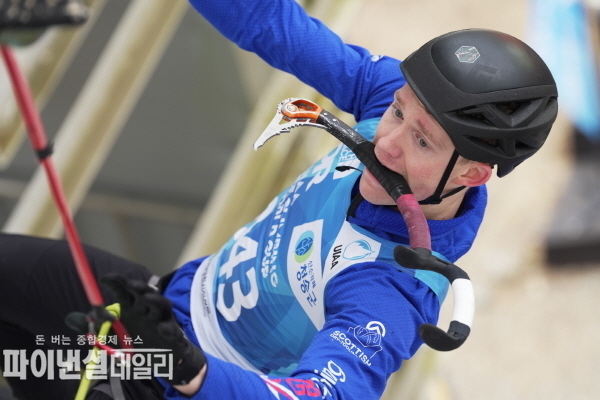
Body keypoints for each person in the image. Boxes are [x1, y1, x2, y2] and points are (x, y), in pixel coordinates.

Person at [0, 0, 557, 399]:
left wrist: (191, 370)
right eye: (397, 112)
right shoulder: (390, 100)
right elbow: (270, 22)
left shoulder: (392, 291)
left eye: (422, 142)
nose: (386, 142)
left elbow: (318, 393)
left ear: (474, 173)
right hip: (159, 305)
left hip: (177, 378)